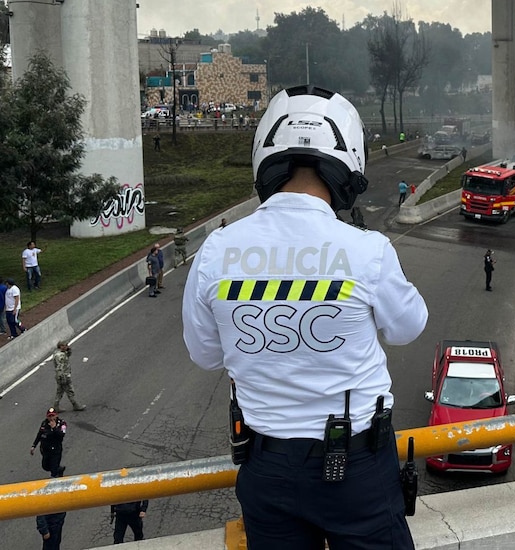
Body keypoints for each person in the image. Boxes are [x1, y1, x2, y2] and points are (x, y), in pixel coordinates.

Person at [182, 85, 427, 549]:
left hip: (265, 468)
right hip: (357, 466)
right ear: (350, 161)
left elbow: (206, 356)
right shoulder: (367, 250)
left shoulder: (217, 250)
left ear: (265, 157)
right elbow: (408, 327)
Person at [31, 407, 67, 478]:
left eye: (53, 416)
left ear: (56, 415)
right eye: (49, 416)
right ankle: (58, 469)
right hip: (45, 449)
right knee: (46, 466)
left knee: (54, 472)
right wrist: (34, 445)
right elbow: (39, 434)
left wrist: (54, 428)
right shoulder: (44, 423)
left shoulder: (62, 424)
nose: (51, 418)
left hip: (55, 450)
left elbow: (61, 435)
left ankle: (55, 474)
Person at [51, 341, 86, 412]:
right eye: (65, 345)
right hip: (64, 375)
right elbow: (59, 367)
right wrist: (62, 376)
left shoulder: (60, 353)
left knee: (60, 392)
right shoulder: (59, 356)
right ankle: (75, 405)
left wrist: (69, 350)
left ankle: (56, 406)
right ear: (61, 346)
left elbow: (67, 355)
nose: (67, 346)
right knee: (70, 391)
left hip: (62, 375)